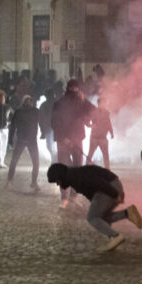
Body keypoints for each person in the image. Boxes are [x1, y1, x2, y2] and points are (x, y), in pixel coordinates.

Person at [46, 163, 142, 252]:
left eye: (57, 181)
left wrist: (114, 194)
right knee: (100, 218)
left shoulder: (75, 176)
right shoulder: (74, 176)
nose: (58, 184)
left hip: (109, 188)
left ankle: (115, 236)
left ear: (60, 176)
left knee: (92, 218)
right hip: (112, 186)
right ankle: (127, 213)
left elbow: (98, 182)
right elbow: (90, 194)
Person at [51, 79, 96, 208]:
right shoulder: (61, 103)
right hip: (66, 141)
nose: (76, 91)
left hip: (73, 139)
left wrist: (88, 121)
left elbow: (92, 111)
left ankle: (70, 197)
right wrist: (63, 137)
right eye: (75, 88)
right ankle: (66, 197)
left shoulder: (79, 101)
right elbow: (55, 122)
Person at [5, 95, 41, 191]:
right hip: (21, 139)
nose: (28, 103)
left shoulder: (36, 111)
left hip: (32, 140)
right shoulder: (19, 112)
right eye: (27, 101)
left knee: (36, 162)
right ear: (23, 102)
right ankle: (9, 180)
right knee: (14, 161)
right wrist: (10, 139)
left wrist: (45, 132)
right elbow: (13, 126)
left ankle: (34, 182)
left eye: (30, 101)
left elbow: (41, 122)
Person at [86, 97, 114, 169]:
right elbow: (87, 121)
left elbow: (108, 123)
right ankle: (86, 169)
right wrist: (91, 125)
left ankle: (107, 170)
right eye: (103, 103)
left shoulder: (107, 113)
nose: (104, 104)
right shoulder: (93, 112)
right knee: (90, 153)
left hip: (103, 137)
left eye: (104, 103)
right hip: (94, 137)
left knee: (105, 155)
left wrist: (111, 132)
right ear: (99, 103)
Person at [38, 88, 57, 162]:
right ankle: (55, 159)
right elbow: (40, 119)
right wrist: (42, 131)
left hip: (54, 128)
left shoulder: (56, 103)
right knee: (50, 146)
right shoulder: (44, 105)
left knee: (52, 146)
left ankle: (55, 160)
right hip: (49, 128)